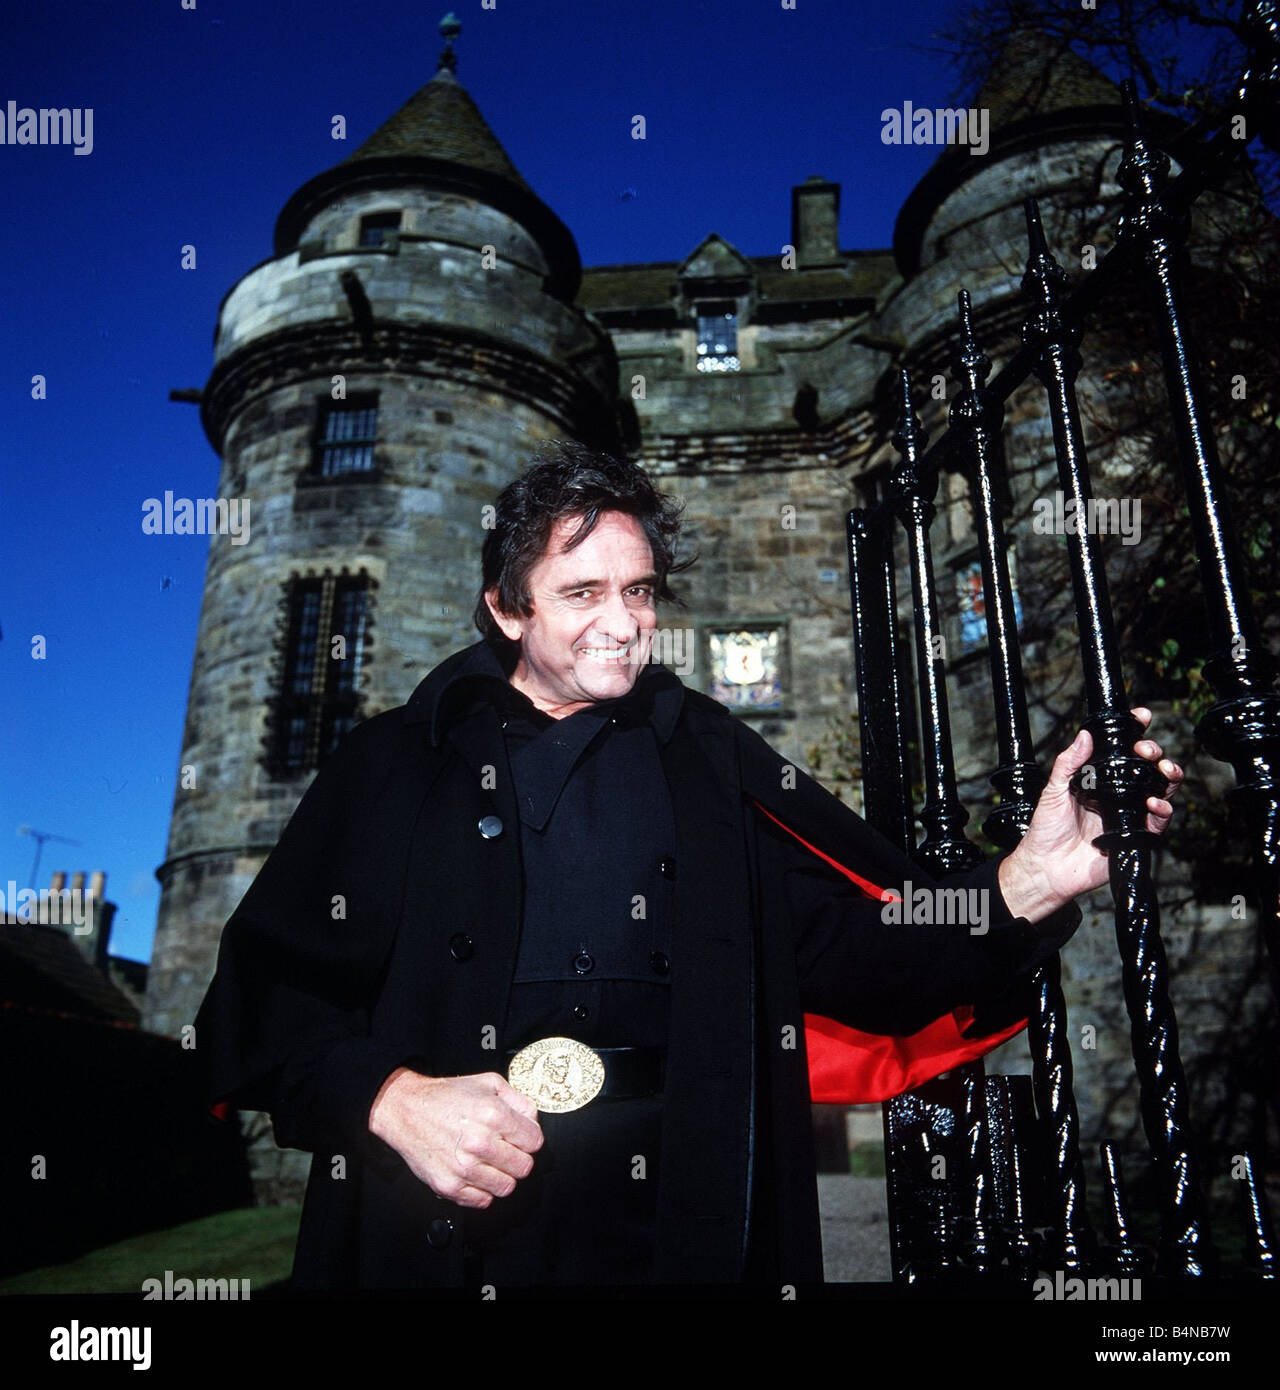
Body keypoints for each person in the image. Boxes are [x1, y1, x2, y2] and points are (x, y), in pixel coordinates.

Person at [194, 442, 1183, 1291]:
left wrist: (1030, 879)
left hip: (672, 1225)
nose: (620, 621)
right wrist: (389, 1097)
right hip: (442, 1228)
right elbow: (264, 1003)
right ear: (505, 610)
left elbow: (849, 947)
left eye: (637, 591)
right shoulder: (393, 766)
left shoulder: (706, 764)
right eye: (580, 592)